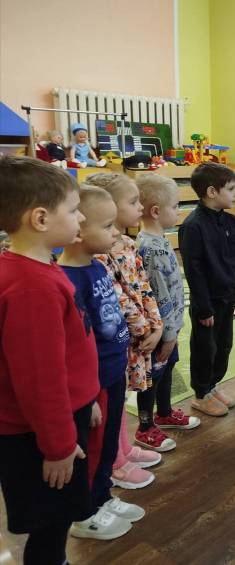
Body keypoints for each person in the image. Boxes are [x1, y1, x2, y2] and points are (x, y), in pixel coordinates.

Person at [0, 156, 98, 564]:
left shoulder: (35, 268)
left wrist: (86, 399)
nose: (81, 218)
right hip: (42, 435)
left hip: (59, 419)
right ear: (40, 219)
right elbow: (41, 379)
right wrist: (58, 447)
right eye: (74, 210)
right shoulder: (32, 288)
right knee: (51, 523)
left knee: (54, 520)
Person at [58, 187, 143, 540]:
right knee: (92, 451)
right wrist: (87, 395)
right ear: (79, 231)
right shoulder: (67, 279)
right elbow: (70, 348)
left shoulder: (95, 266)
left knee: (107, 445)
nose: (116, 232)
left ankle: (103, 496)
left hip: (112, 372)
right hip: (92, 384)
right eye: (108, 226)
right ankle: (85, 513)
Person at [84, 173, 164, 487]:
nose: (140, 207)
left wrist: (156, 325)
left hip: (139, 337)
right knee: (112, 402)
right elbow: (117, 300)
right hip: (125, 338)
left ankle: (124, 449)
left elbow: (143, 287)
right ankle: (114, 462)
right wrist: (144, 329)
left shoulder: (128, 244)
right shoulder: (98, 255)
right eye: (133, 202)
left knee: (121, 398)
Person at [179, 162, 235, 416]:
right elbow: (194, 271)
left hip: (228, 298)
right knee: (204, 349)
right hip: (207, 303)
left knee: (223, 346)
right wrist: (203, 308)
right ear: (211, 192)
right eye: (230, 189)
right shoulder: (193, 226)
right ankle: (201, 394)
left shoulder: (231, 221)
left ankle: (212, 385)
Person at [135, 174, 200, 441]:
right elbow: (159, 296)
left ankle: (164, 412)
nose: (178, 211)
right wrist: (169, 333)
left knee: (168, 367)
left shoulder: (158, 240)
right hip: (160, 329)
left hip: (169, 325)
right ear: (155, 211)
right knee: (153, 376)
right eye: (175, 207)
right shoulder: (152, 249)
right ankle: (145, 427)